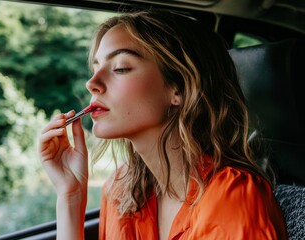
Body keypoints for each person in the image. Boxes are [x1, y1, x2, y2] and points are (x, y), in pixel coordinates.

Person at [39, 9, 288, 240]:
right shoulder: (121, 190)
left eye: (121, 68)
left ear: (178, 89)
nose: (91, 82)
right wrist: (70, 197)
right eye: (95, 68)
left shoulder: (232, 198)